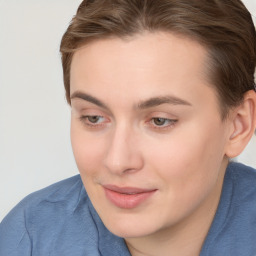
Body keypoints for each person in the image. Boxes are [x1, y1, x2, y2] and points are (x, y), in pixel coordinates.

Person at [1, 0, 256, 255]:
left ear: (238, 125)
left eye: (160, 121)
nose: (117, 161)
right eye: (93, 118)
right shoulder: (28, 240)